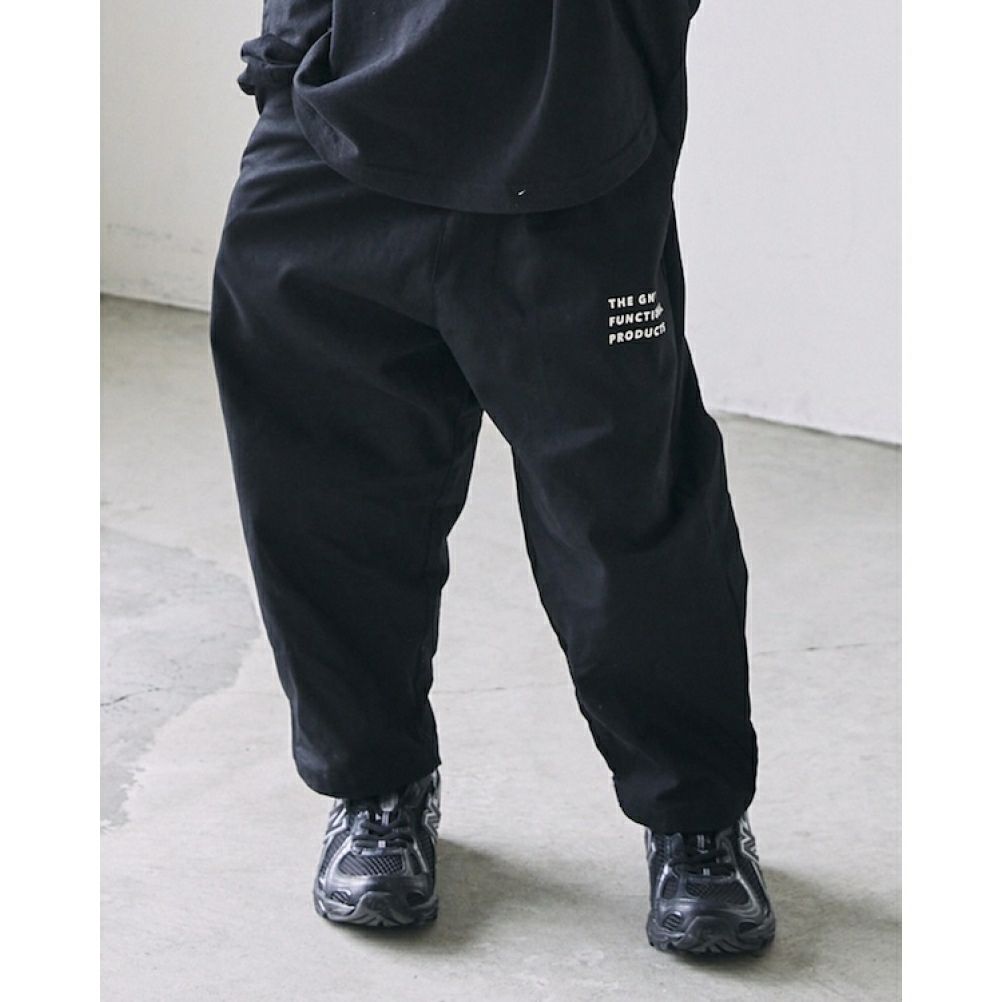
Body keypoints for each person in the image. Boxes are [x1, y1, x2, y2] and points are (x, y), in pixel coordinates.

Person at [210, 0, 776, 955]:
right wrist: (288, 69)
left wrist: (629, 95)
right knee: (319, 492)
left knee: (627, 517)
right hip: (338, 128)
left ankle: (697, 821)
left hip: (573, 155)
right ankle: (377, 788)